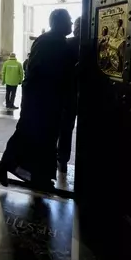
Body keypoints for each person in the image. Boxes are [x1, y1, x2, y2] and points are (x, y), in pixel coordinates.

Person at [0, 9, 75, 190]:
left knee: (44, 140)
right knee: (32, 137)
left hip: (49, 101)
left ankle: (41, 177)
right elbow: (37, 71)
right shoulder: (47, 41)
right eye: (68, 21)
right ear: (58, 22)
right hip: (40, 102)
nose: (71, 24)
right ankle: (9, 164)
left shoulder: (58, 41)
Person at [58, 17, 81, 173]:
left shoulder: (67, 44)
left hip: (68, 94)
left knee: (64, 129)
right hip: (86, 94)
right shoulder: (93, 44)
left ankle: (62, 160)